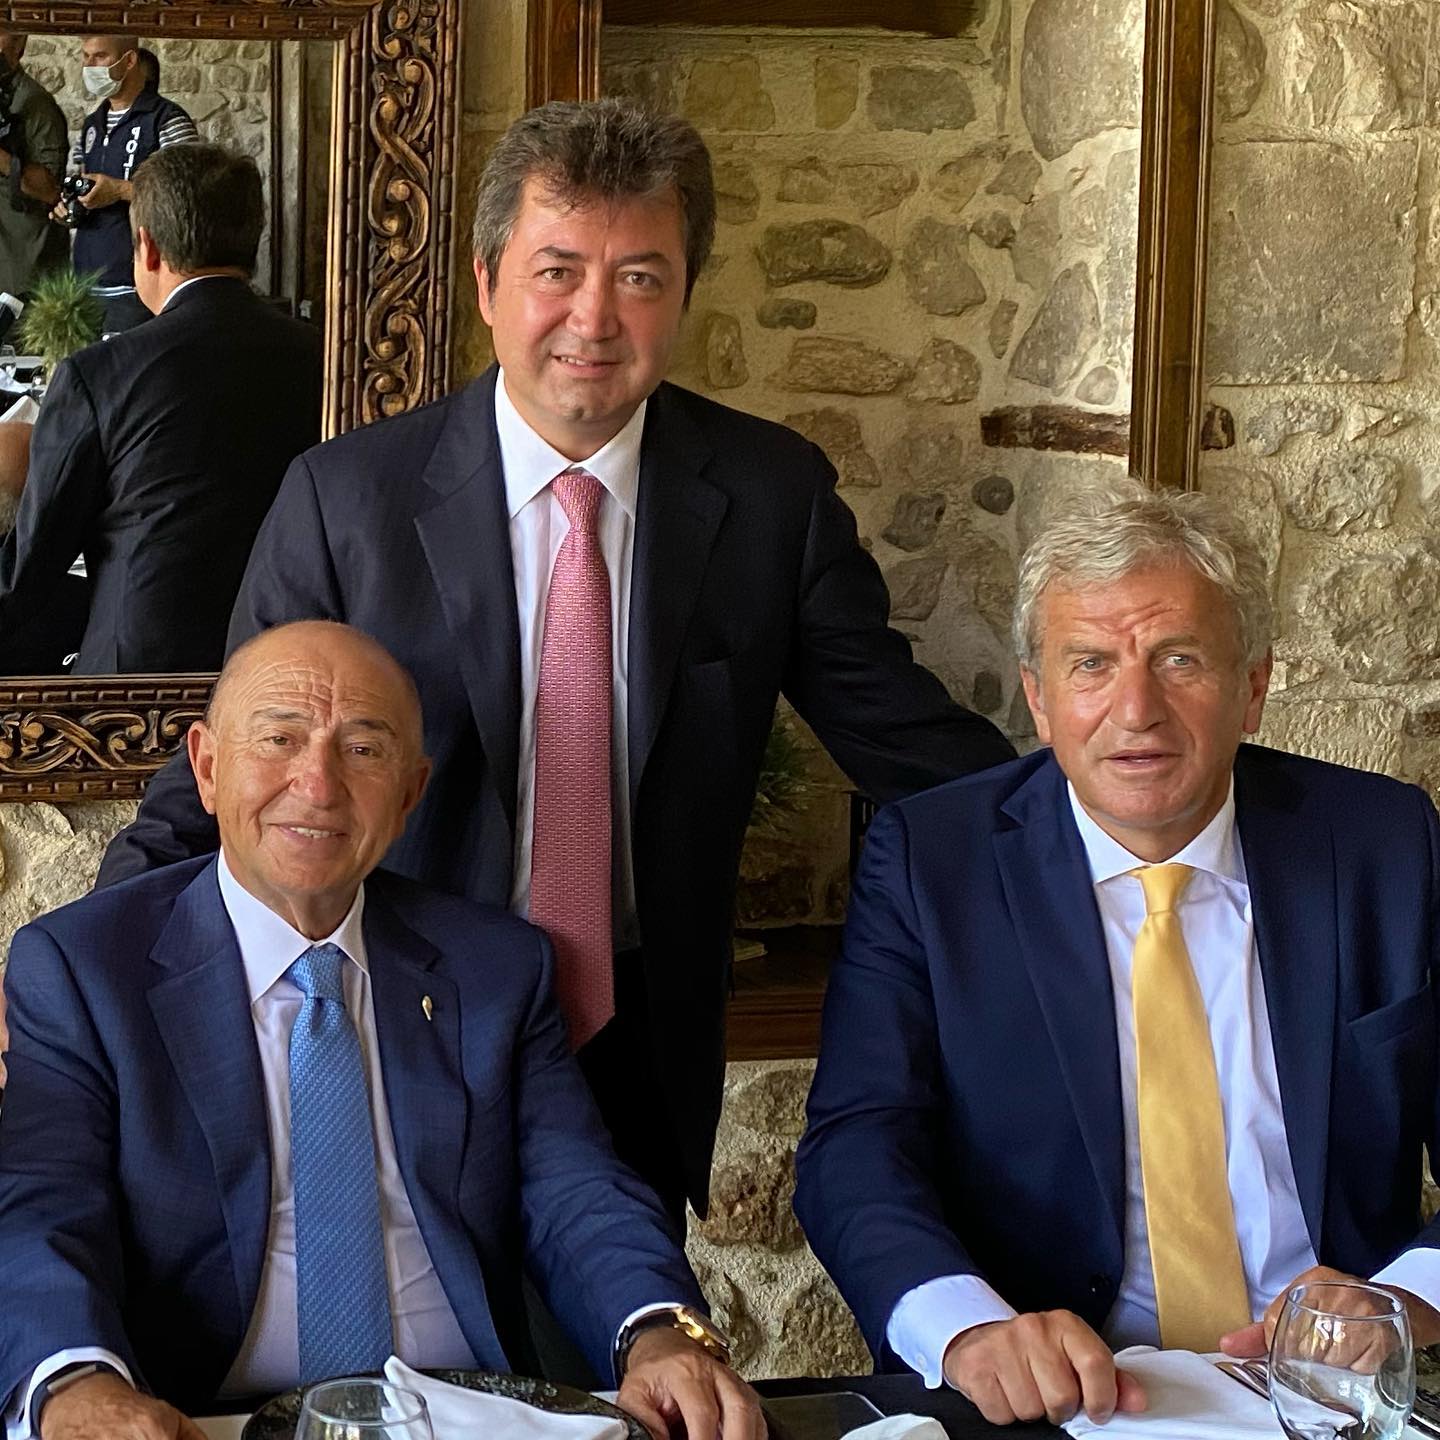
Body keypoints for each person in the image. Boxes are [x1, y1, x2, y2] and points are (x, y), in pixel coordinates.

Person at [96, 97, 1016, 1223]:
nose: (594, 316)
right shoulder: (346, 501)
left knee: (625, 1328)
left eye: (640, 277)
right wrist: (76, 975)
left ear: (683, 294)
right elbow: (239, 765)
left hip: (637, 1057)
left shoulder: (771, 497)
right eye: (557, 271)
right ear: (488, 284)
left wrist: (1122, 850)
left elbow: (908, 742)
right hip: (396, 1028)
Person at [0, 620, 763, 1440]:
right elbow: (42, 1208)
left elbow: (575, 1190)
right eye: (279, 739)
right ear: (208, 768)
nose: (318, 783)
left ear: (409, 793)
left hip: (467, 1415)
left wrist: (658, 1332)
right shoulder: (85, 969)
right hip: (205, 1420)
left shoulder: (496, 967)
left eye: (363, 750)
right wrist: (76, 1384)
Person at [794, 478, 1440, 1427]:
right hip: (1062, 1398)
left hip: (1336, 1395)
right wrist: (968, 1330)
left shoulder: (1385, 843)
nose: (1136, 709)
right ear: (1039, 697)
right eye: (1091, 664)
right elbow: (855, 1146)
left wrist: (1410, 1298)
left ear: (1253, 687)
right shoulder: (934, 862)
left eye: (1179, 659)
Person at [0, 142, 322, 674]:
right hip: (284, 664)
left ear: (146, 248)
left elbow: (28, 572)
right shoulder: (324, 358)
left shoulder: (98, 375)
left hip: (136, 686)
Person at [64, 34, 198, 332]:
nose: (90, 66)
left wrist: (121, 190)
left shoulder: (166, 119)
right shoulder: (92, 124)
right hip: (85, 279)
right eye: (85, 57)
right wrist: (69, 204)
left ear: (129, 60)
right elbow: (79, 179)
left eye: (100, 56)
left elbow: (191, 195)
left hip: (139, 282)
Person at [0, 30, 67, 297]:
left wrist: (4, 160)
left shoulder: (36, 103)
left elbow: (52, 190)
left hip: (23, 267)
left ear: (20, 43)